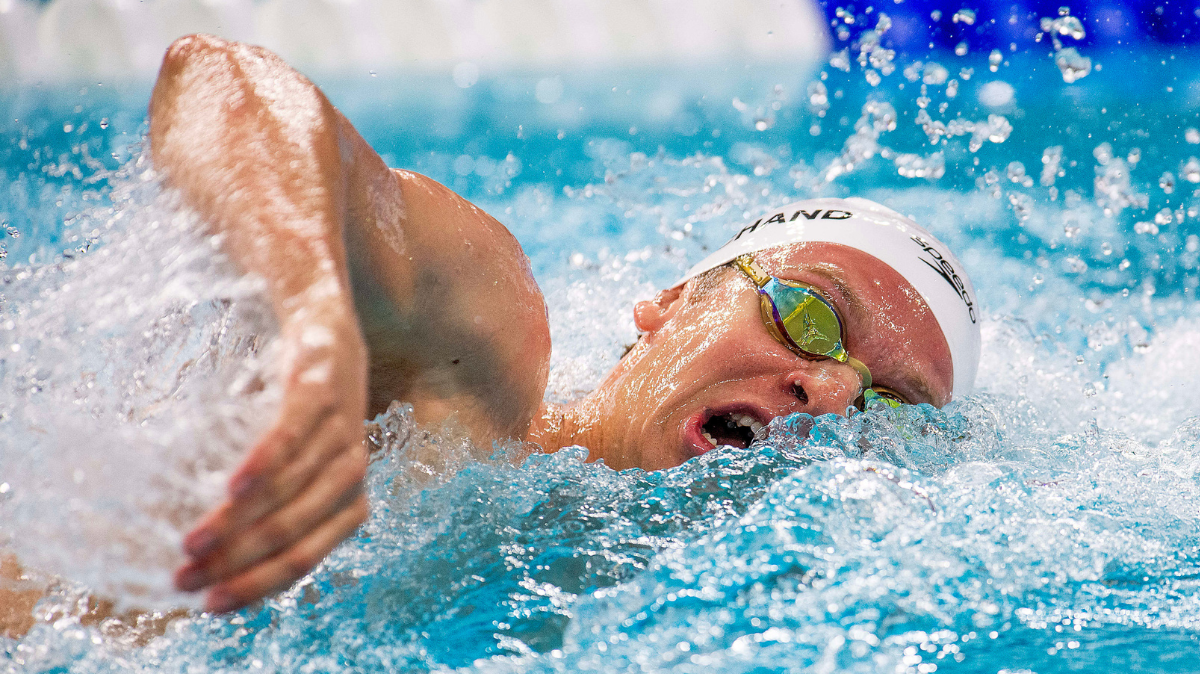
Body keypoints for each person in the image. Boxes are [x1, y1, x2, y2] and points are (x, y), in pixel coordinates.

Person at [0, 33, 980, 629]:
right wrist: (313, 313)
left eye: (890, 404)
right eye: (808, 313)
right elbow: (218, 85)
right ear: (669, 306)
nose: (837, 392)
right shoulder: (478, 360)